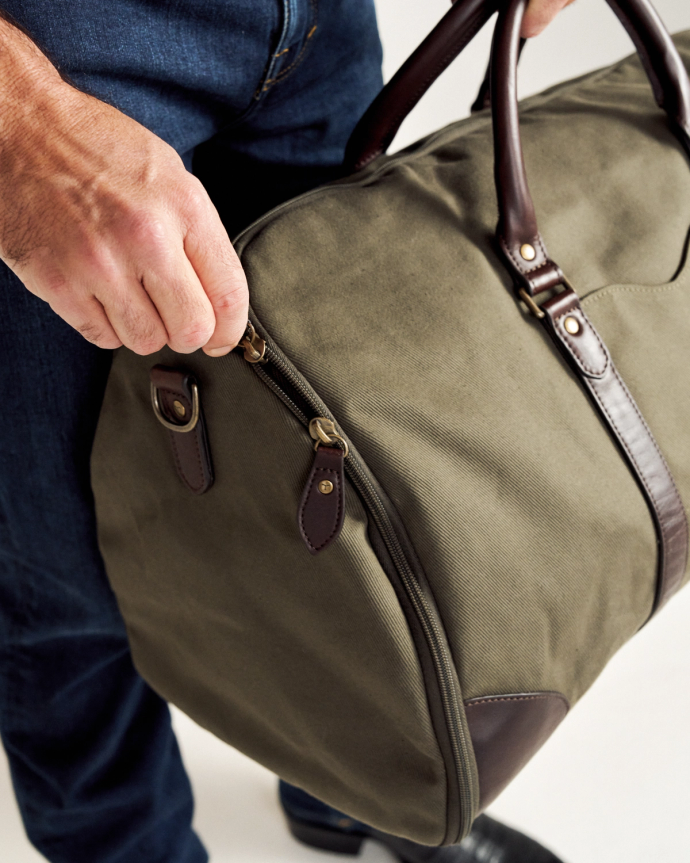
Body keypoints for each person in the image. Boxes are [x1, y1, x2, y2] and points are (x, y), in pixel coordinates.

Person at [0, 1, 575, 861]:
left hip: (317, 28)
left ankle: (349, 789)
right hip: (65, 48)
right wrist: (20, 125)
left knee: (342, 463)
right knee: (68, 578)